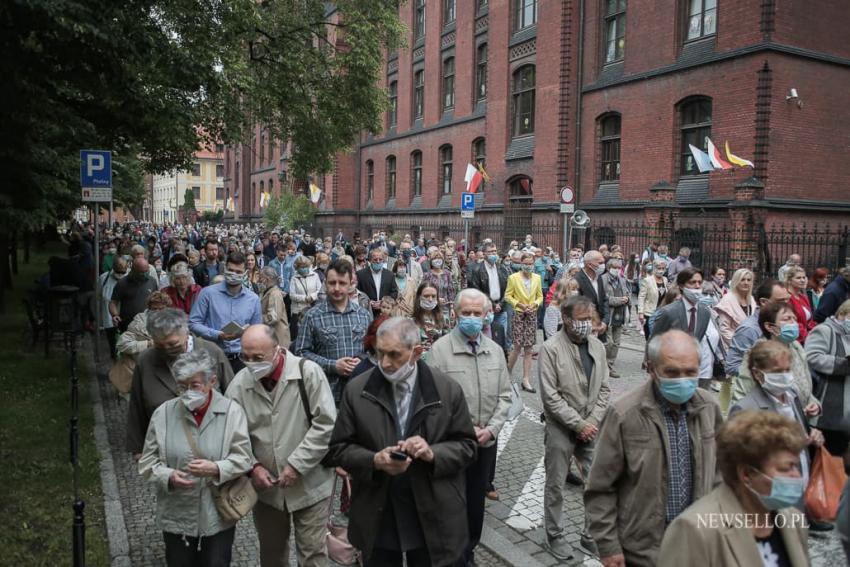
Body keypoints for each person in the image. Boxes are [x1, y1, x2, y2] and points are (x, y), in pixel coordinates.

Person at [323, 317, 477, 567]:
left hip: (432, 510)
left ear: (416, 353)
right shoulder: (357, 390)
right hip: (378, 510)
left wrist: (432, 453)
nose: (384, 363)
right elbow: (338, 450)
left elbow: (468, 447)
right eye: (380, 353)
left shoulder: (447, 390)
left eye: (394, 355)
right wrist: (374, 460)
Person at [585, 329, 722, 566]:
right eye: (671, 372)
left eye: (690, 372)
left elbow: (722, 473)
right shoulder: (624, 414)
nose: (682, 379)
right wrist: (608, 546)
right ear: (651, 369)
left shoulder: (709, 407)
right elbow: (600, 487)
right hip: (643, 552)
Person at [226, 325, 337, 567]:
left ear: (277, 350)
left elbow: (326, 425)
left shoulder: (308, 373)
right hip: (267, 490)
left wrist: (296, 465)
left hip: (312, 485)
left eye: (258, 357)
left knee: (312, 555)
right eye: (245, 357)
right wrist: (253, 467)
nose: (251, 363)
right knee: (272, 554)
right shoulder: (239, 384)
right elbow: (233, 435)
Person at [138, 349, 252, 567]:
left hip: (217, 513)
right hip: (176, 512)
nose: (188, 392)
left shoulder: (232, 412)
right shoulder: (163, 414)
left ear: (212, 381)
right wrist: (168, 476)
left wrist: (217, 468)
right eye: (182, 386)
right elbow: (147, 462)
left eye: (195, 385)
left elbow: (244, 458)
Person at [656, 411, 809, 567]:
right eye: (785, 468)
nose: (796, 476)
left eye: (796, 466)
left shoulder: (792, 519)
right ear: (746, 474)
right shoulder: (695, 530)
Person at [428, 289, 512, 566]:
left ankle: (469, 553)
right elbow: (432, 402)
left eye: (478, 313)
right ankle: (451, 556)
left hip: (485, 443)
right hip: (452, 445)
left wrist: (492, 429)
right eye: (467, 313)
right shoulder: (438, 352)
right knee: (450, 506)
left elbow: (505, 396)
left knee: (476, 505)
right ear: (455, 314)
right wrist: (462, 430)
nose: (472, 318)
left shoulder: (496, 351)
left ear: (487, 314)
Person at [538, 296, 610, 560]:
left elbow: (604, 388)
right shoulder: (551, 348)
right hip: (561, 427)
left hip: (590, 426)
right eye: (580, 320)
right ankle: (554, 536)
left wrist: (591, 422)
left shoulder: (597, 347)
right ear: (566, 319)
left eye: (588, 319)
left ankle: (589, 534)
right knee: (555, 484)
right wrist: (578, 424)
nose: (585, 325)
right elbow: (550, 396)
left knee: (596, 484)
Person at [729, 341, 828, 532]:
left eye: (787, 369)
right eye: (777, 371)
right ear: (758, 374)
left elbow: (800, 433)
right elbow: (741, 462)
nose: (785, 376)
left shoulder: (792, 396)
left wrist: (812, 436)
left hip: (799, 488)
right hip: (769, 497)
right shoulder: (746, 408)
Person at [126, 308, 235, 456]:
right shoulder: (146, 360)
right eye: (159, 346)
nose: (166, 349)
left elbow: (234, 398)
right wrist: (138, 449)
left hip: (214, 446)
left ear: (186, 333)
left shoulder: (212, 352)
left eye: (172, 344)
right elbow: (137, 406)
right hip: (166, 448)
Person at [294, 260, 373, 404]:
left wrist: (362, 361)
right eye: (332, 283)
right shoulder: (312, 316)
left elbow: (373, 351)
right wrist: (332, 365)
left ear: (350, 284)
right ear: (325, 283)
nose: (337, 288)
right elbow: (300, 353)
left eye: (342, 283)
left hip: (360, 395)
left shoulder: (364, 315)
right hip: (325, 395)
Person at [730, 301, 820, 413]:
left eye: (794, 319)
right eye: (787, 319)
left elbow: (805, 386)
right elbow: (742, 394)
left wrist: (813, 403)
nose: (794, 324)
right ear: (769, 327)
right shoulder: (758, 354)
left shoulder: (796, 347)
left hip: (797, 417)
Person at [189, 252, 262, 374]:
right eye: (231, 270)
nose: (234, 274)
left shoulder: (253, 299)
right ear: (225, 270)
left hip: (241, 359)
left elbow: (257, 330)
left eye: (238, 272)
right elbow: (193, 323)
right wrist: (218, 334)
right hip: (212, 355)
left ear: (245, 273)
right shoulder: (207, 294)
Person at [806, 298, 850, 459]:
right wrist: (843, 364)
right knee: (827, 459)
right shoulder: (825, 330)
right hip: (828, 406)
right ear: (843, 314)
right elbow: (812, 357)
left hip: (845, 408)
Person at [725, 279, 791, 378]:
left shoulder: (784, 324)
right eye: (780, 301)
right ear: (764, 302)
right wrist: (767, 372)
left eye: (787, 300)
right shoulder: (749, 329)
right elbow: (732, 366)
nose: (786, 305)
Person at [506, 252, 543, 393]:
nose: (528, 266)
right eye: (526, 264)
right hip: (519, 314)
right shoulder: (513, 278)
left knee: (528, 348)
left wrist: (534, 304)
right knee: (517, 346)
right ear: (521, 264)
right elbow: (508, 295)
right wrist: (519, 304)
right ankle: (507, 372)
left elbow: (540, 296)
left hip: (531, 314)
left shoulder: (537, 278)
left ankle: (526, 379)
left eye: (530, 263)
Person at [468, 243, 509, 349]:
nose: (493, 254)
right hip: (485, 309)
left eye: (495, 251)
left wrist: (500, 303)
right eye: (490, 252)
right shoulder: (477, 270)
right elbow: (477, 290)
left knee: (500, 338)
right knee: (485, 338)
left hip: (501, 308)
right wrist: (492, 304)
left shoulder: (502, 268)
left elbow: (508, 289)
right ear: (484, 253)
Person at [116, 291, 173, 358]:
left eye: (161, 309)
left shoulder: (174, 322)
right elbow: (122, 344)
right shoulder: (139, 322)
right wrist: (148, 344)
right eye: (154, 309)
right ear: (149, 308)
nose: (157, 312)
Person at [110, 256, 159, 332]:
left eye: (146, 271)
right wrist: (115, 315)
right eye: (141, 272)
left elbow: (157, 299)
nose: (144, 274)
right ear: (133, 270)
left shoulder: (152, 281)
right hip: (128, 326)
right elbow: (113, 302)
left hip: (147, 325)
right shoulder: (122, 283)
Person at [713, 268, 756, 348]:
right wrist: (739, 345)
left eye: (749, 280)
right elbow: (724, 330)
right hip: (733, 347)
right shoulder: (727, 300)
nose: (746, 283)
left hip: (752, 345)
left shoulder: (752, 300)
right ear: (736, 281)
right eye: (742, 280)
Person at [602, 257, 630, 377]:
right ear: (609, 268)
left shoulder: (622, 280)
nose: (617, 270)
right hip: (609, 313)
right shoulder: (602, 279)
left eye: (619, 268)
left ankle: (610, 365)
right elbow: (604, 299)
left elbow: (627, 293)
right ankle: (603, 365)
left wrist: (627, 299)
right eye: (615, 268)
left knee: (617, 343)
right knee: (608, 342)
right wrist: (619, 300)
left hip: (620, 314)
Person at [575, 251, 610, 342]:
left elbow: (604, 299)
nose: (603, 265)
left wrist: (605, 321)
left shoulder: (599, 278)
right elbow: (576, 306)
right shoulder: (577, 280)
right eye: (600, 263)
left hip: (601, 327)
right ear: (589, 264)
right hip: (585, 329)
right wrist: (592, 324)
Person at [411, 282, 451, 358]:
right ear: (419, 297)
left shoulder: (444, 319)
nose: (430, 299)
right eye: (426, 296)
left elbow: (448, 343)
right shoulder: (411, 321)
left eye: (433, 296)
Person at [99, 256, 127, 358]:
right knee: (114, 349)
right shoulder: (103, 278)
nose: (120, 275)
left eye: (122, 272)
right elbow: (98, 298)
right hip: (109, 322)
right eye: (118, 272)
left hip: (126, 320)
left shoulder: (129, 278)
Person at [357, 248, 399, 317]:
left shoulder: (390, 275)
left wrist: (383, 302)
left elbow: (394, 292)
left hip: (385, 313)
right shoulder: (360, 275)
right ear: (370, 260)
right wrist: (367, 302)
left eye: (380, 259)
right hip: (367, 312)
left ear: (384, 260)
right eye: (375, 259)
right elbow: (358, 292)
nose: (378, 261)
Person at [289, 256, 322, 340]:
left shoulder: (315, 275)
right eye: (301, 267)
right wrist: (304, 298)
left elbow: (320, 290)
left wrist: (312, 296)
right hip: (298, 311)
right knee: (297, 335)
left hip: (312, 308)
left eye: (305, 267)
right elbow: (292, 295)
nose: (304, 269)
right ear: (297, 268)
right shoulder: (294, 278)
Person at [257, 267, 291, 350]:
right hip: (273, 337)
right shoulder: (268, 292)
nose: (259, 281)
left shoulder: (274, 294)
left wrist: (257, 318)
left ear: (267, 279)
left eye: (261, 278)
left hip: (278, 339)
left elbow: (273, 317)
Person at [637, 258, 668, 339]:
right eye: (659, 268)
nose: (661, 270)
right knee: (650, 338)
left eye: (663, 268)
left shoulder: (665, 280)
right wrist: (640, 312)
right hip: (650, 312)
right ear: (654, 268)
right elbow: (641, 297)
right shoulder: (647, 280)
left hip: (662, 313)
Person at [785, 266, 816, 344]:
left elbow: (809, 321)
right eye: (798, 278)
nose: (802, 280)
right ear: (789, 280)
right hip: (796, 339)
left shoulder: (803, 297)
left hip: (808, 337)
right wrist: (809, 336)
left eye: (804, 277)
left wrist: (817, 331)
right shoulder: (787, 298)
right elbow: (792, 322)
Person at [422, 249, 455, 320]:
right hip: (431, 307)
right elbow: (423, 292)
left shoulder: (447, 274)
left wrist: (452, 308)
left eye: (439, 258)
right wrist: (436, 299)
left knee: (446, 328)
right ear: (431, 261)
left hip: (445, 308)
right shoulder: (427, 275)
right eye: (435, 258)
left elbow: (451, 291)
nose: (438, 260)